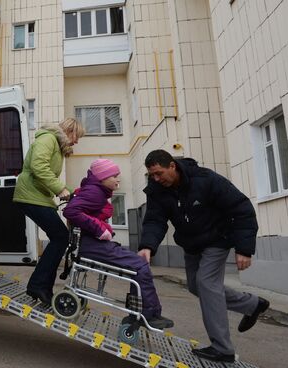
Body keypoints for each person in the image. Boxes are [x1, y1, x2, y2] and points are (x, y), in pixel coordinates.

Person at [137, 149, 270, 362]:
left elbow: (241, 207)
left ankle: (222, 348)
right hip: (192, 245)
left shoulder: (205, 180)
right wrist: (148, 246)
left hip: (217, 239)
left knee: (207, 283)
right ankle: (252, 305)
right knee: (195, 286)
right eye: (152, 175)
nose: (156, 179)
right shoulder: (157, 190)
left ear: (172, 166)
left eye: (159, 173)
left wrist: (244, 248)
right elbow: (155, 219)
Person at [63, 159, 174, 329]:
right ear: (102, 177)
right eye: (114, 176)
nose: (118, 180)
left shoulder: (96, 191)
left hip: (93, 245)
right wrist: (99, 229)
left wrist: (98, 226)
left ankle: (141, 312)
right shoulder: (95, 193)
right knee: (140, 265)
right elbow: (70, 211)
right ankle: (147, 314)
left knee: (137, 265)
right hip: (94, 246)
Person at [13, 118, 85, 306]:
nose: (77, 141)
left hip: (38, 196)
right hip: (30, 195)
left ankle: (43, 287)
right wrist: (60, 189)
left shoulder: (55, 144)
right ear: (70, 131)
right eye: (77, 137)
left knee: (59, 238)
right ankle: (38, 285)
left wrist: (72, 191)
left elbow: (50, 176)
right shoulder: (48, 139)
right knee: (60, 237)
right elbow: (39, 167)